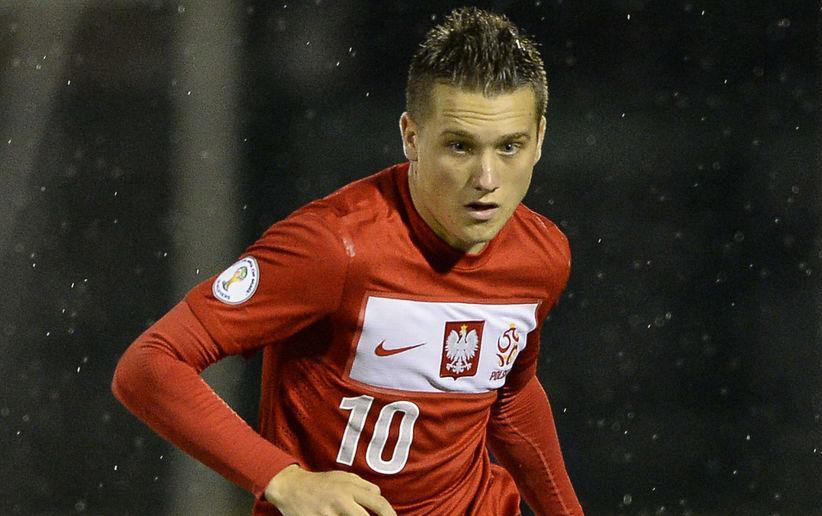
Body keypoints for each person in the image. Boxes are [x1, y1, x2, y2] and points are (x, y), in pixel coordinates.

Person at [112, 7, 583, 515]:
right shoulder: (334, 247)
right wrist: (283, 479)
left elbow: (510, 397)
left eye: (510, 146)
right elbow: (150, 365)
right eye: (460, 146)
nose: (487, 178)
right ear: (411, 137)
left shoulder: (542, 257)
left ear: (539, 139)